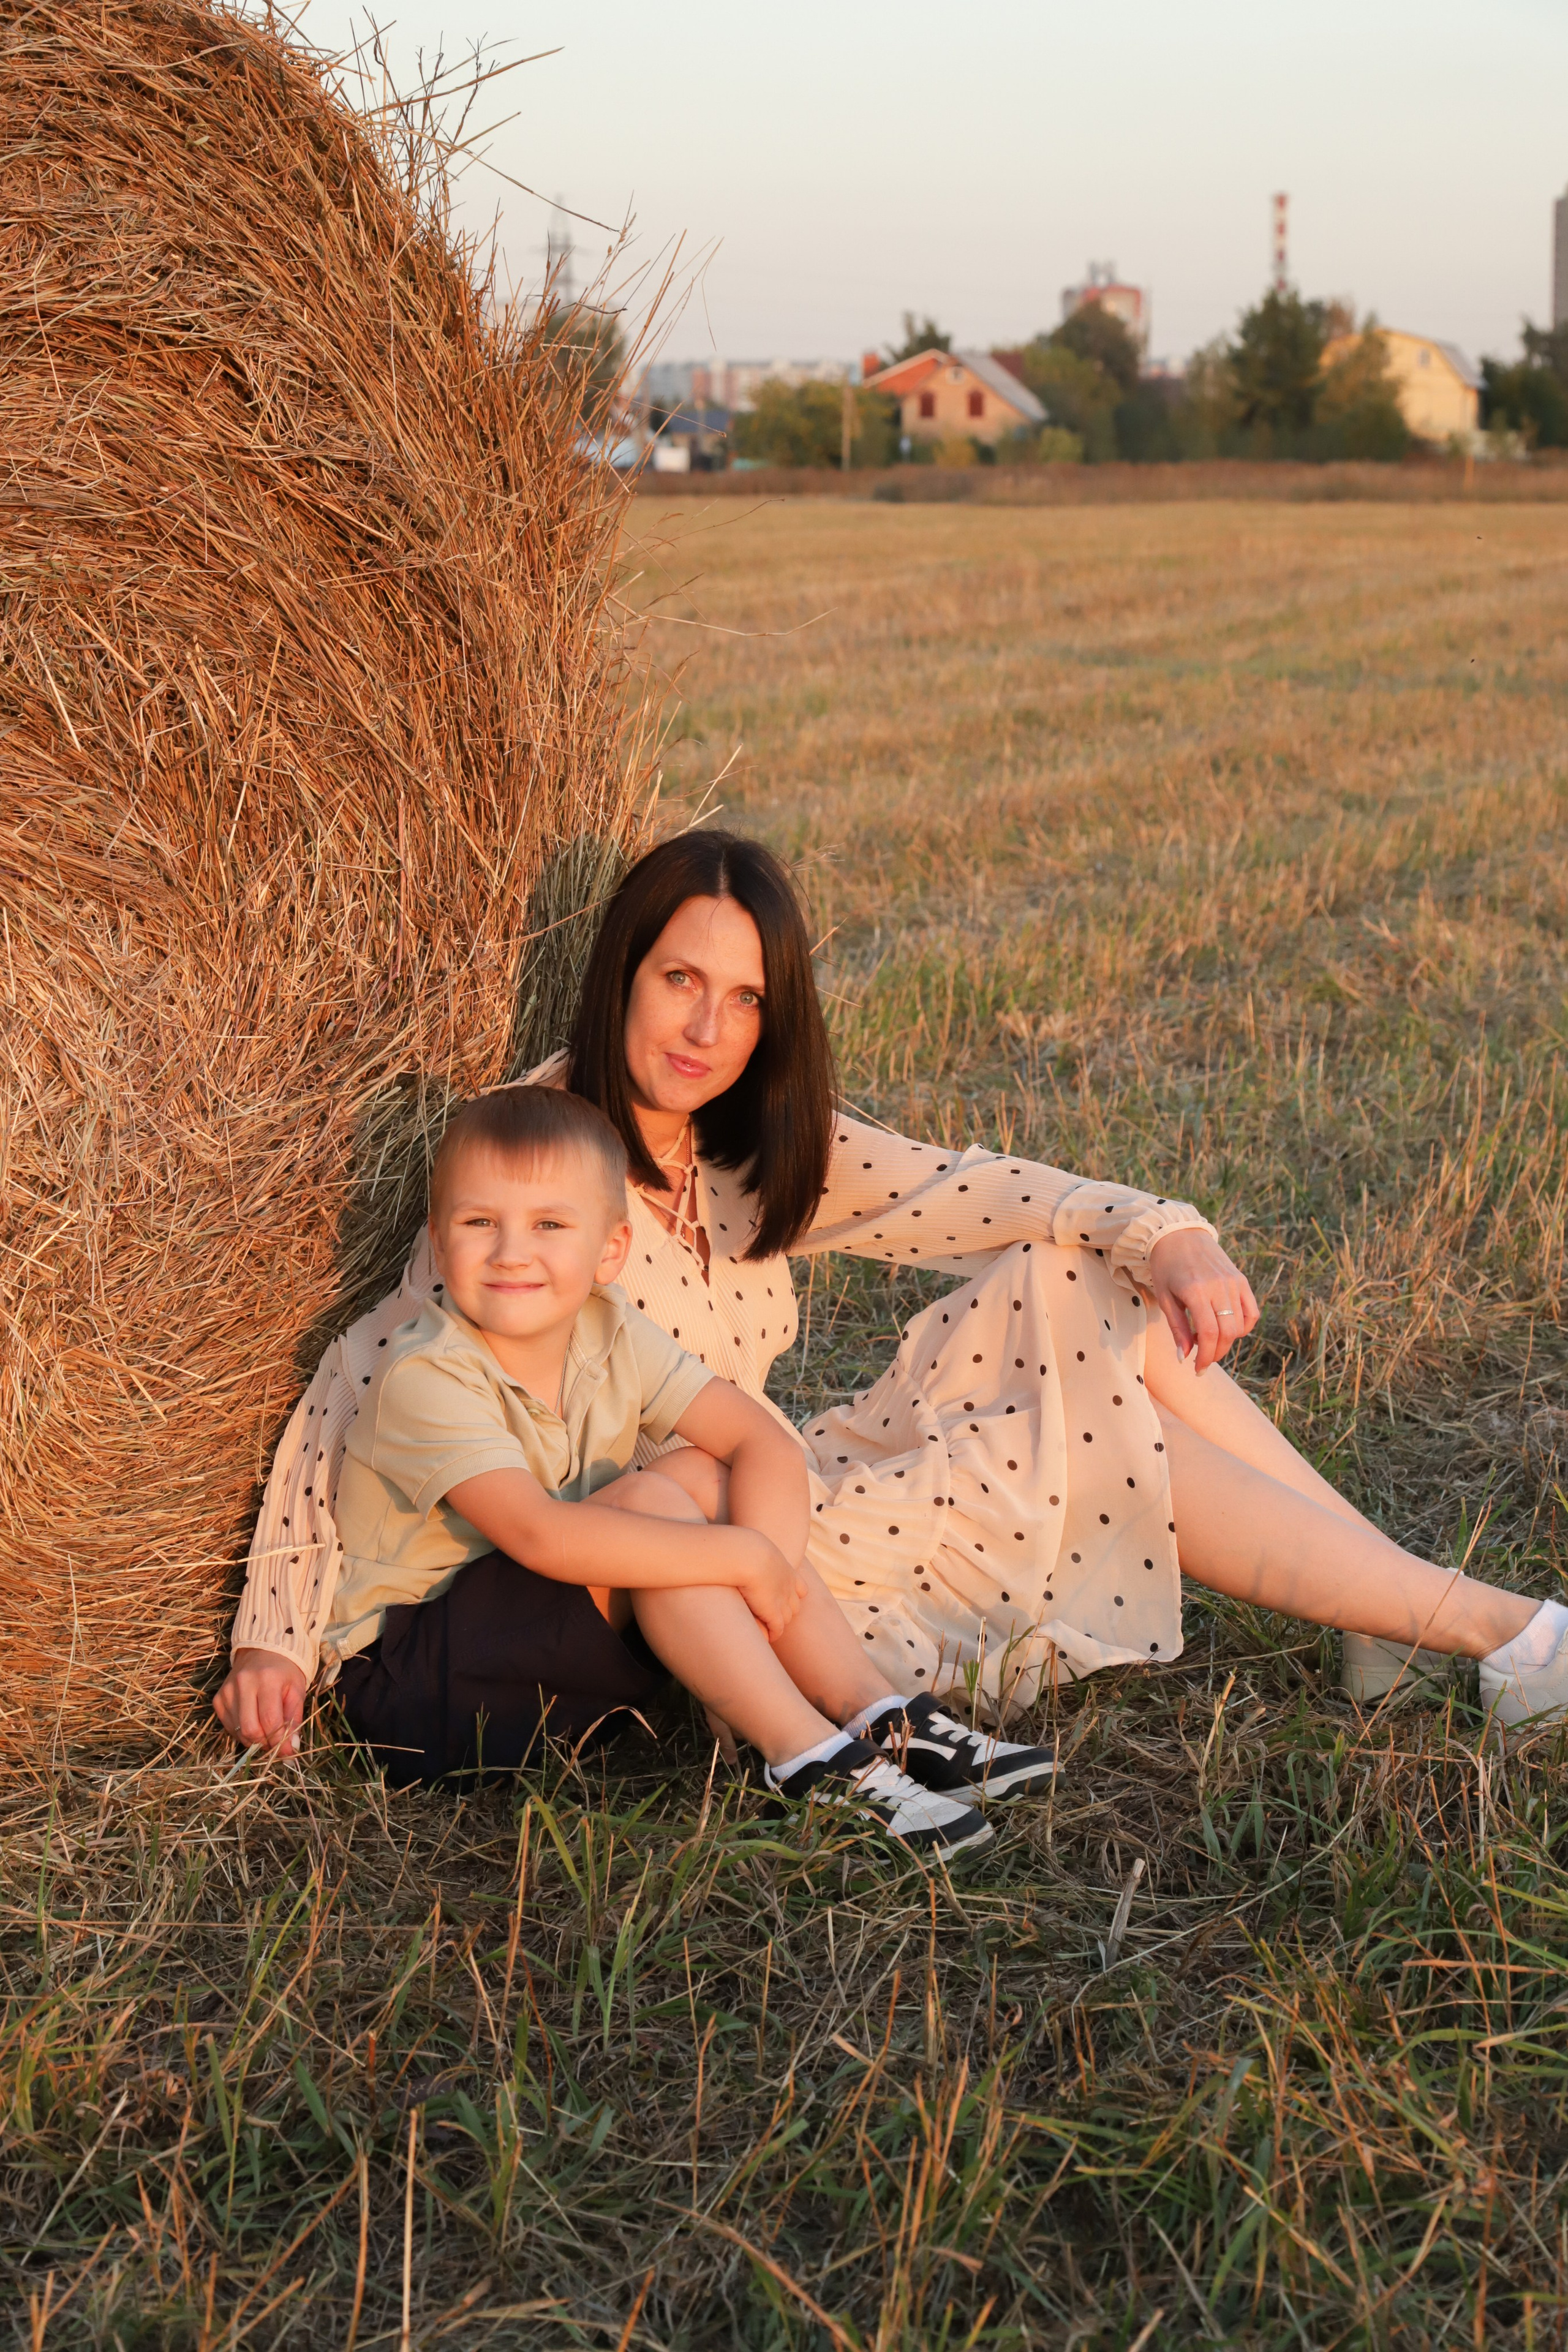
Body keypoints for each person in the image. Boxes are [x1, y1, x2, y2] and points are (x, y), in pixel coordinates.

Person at [219, 833, 1568, 1762]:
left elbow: (979, 1193)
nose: (704, 1028)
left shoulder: (750, 1150)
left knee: (1066, 1276)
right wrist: (275, 1635)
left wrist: (1167, 1232)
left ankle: (1391, 1612)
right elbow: (364, 1374)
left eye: (742, 999)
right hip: (710, 1574)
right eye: (678, 980)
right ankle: (1484, 1627)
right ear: (620, 970)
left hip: (783, 1488)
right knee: (1063, 1431)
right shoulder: (539, 1163)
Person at [233, 1078, 1057, 1858]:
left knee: (700, 1475)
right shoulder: (427, 1375)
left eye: (551, 1225)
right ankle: (801, 1759)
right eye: (480, 1222)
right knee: (660, 1510)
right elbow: (544, 1536)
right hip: (416, 1693)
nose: (512, 1252)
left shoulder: (608, 1327)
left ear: (609, 1250)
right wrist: (744, 1559)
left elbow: (756, 1444)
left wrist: (764, 1575)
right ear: (439, 1241)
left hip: (541, 1653)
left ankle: (876, 1712)